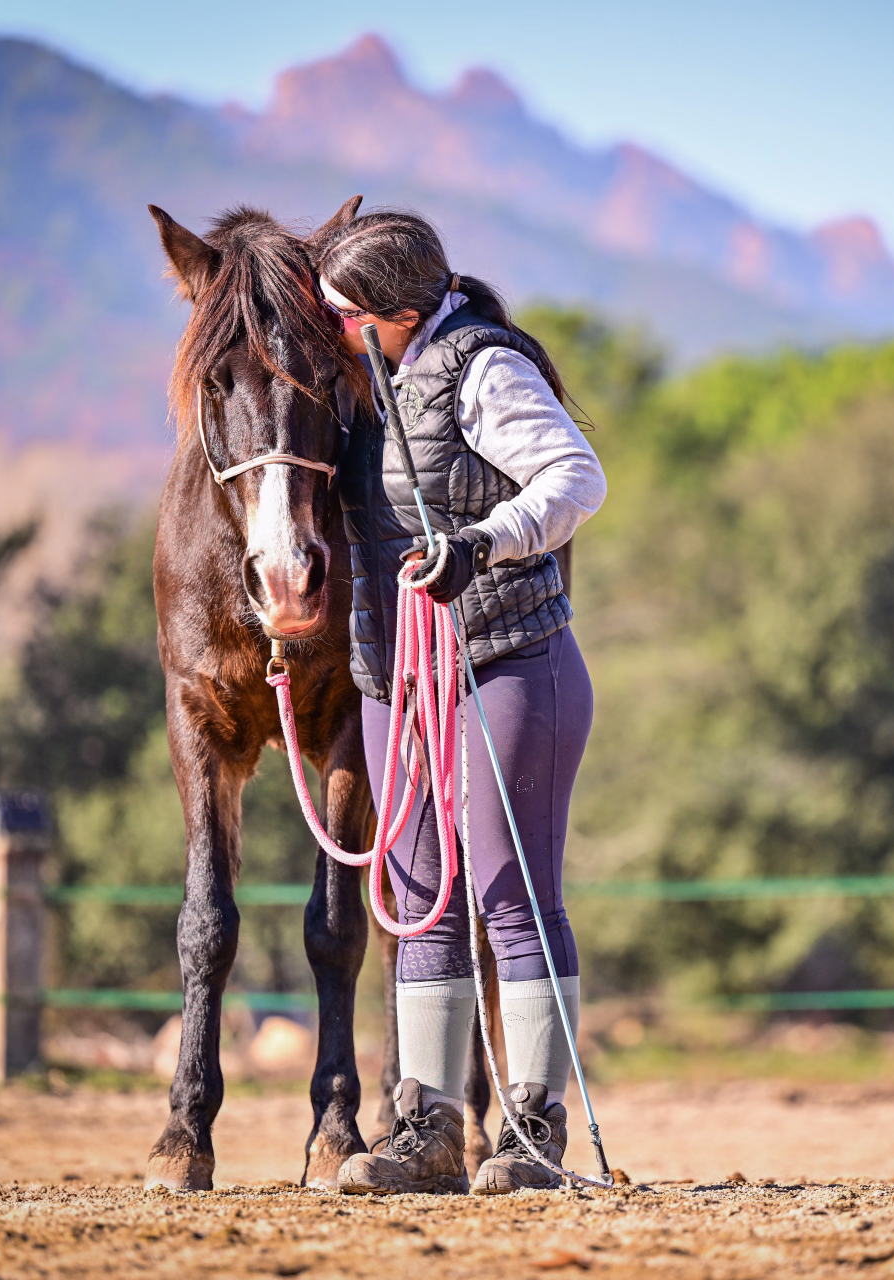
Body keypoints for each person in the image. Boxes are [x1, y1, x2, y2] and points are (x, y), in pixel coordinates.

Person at [315, 205, 606, 1196]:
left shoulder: (482, 369)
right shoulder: (368, 380)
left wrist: (483, 540)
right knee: (416, 903)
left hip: (509, 660)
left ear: (400, 312)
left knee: (511, 899)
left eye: (345, 313)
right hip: (398, 678)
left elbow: (578, 474)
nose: (334, 330)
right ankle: (428, 1129)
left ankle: (532, 1133)